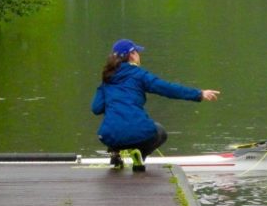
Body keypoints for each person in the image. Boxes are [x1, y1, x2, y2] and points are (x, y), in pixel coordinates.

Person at [92, 39, 220, 171]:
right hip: (137, 132)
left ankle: (116, 154)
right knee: (160, 132)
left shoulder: (107, 79)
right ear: (132, 55)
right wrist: (199, 94)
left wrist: (106, 92)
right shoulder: (140, 75)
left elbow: (96, 108)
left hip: (107, 135)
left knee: (116, 129)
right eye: (137, 52)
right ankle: (139, 156)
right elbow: (167, 89)